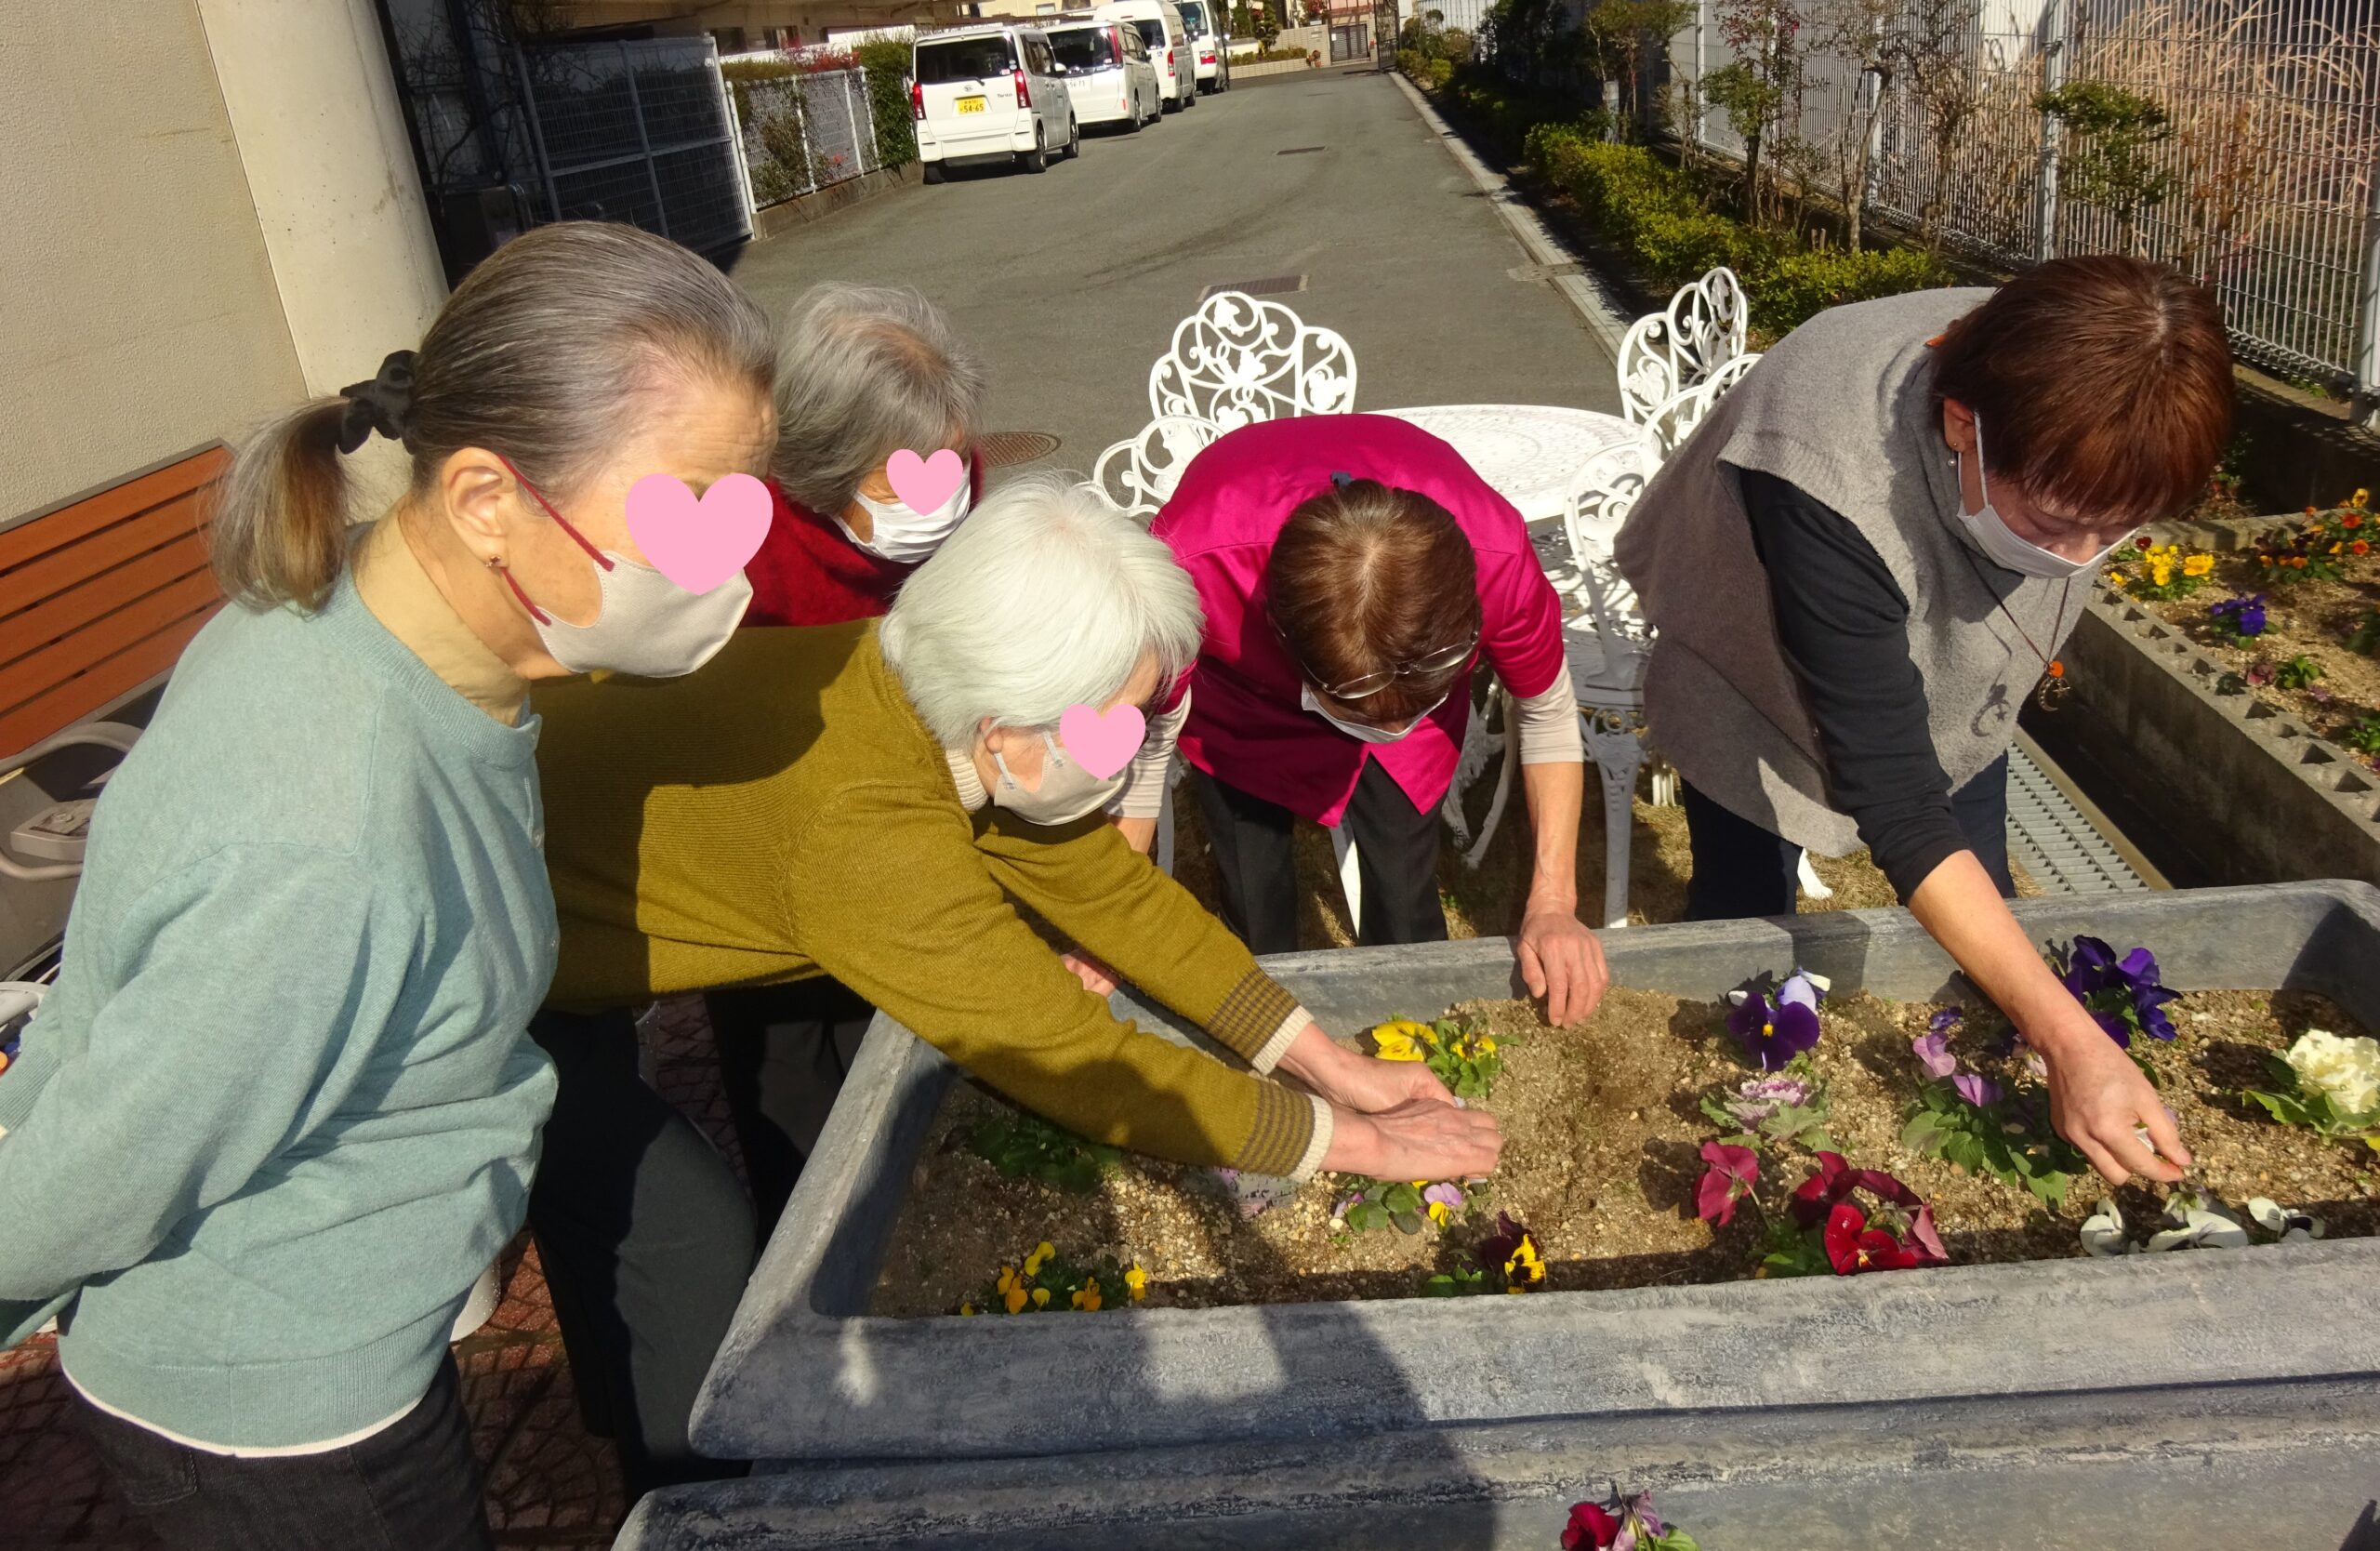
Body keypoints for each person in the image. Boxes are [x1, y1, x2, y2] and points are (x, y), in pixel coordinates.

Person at [0, 222, 776, 1551]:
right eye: (682, 520)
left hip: (341, 1330)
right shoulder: (333, 820)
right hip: (283, 1407)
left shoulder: (392, 638)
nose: (726, 577)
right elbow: (113, 1158)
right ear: (485, 501)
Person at [524, 475, 1506, 1489]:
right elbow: (1072, 1056)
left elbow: (1115, 897)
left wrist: (1329, 1065)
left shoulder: (920, 687)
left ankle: (616, 1401)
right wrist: (1360, 1145)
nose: (1125, 756)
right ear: (1005, 727)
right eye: (1118, 720)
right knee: (684, 1241)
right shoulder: (864, 831)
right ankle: (704, 1511)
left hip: (562, 929)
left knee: (613, 1214)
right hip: (480, 976)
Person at [1612, 255, 2234, 1188]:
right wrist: (2070, 1039)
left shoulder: (2082, 375)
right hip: (1745, 673)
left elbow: (1931, 763)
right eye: (2061, 522)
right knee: (1747, 900)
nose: (2080, 558)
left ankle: (1997, 1074)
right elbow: (1896, 796)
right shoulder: (1822, 463)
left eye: (2118, 529)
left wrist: (2040, 1016)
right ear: (1960, 424)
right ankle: (1749, 1109)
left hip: (1939, 670)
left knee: (1982, 895)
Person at [1128, 413, 1609, 1027]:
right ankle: (1265, 1015)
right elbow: (1151, 741)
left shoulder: (1500, 560)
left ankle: (1415, 1019)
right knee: (1251, 877)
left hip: (1397, 673)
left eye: (1405, 712)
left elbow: (1546, 710)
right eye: (1363, 715)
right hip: (1240, 698)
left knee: (1404, 871)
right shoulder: (1192, 560)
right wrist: (1107, 921)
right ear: (1284, 636)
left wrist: (1553, 902)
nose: (1385, 727)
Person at [707, 283, 989, 1239]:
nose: (940, 495)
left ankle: (917, 1193)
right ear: (814, 467)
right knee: (790, 1054)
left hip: (901, 803)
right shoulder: (735, 539)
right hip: (763, 819)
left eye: (950, 465)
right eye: (904, 477)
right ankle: (814, 1243)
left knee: (902, 1021)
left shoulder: (943, 471)